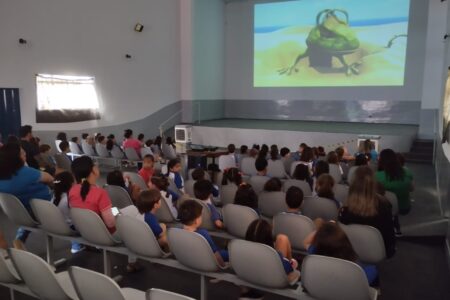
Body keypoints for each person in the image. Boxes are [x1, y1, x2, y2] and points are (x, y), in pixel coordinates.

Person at [0, 143, 53, 249]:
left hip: (20, 214)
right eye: (22, 153)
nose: (25, 154)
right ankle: (78, 243)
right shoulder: (25, 172)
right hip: (45, 210)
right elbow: (50, 178)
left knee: (30, 208)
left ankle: (20, 238)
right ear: (15, 158)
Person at [339, 166, 396, 258]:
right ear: (373, 183)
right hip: (380, 250)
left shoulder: (345, 208)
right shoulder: (385, 204)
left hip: (351, 249)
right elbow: (389, 235)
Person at [303, 221, 378, 286]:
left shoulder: (314, 252)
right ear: (345, 242)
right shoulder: (365, 272)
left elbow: (306, 242)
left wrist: (321, 230)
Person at [69, 156, 116, 233]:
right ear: (93, 170)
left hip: (84, 232)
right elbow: (110, 224)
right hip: (104, 235)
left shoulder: (72, 190)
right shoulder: (100, 193)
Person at [178, 200, 228, 266]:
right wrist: (223, 266)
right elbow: (216, 255)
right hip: (207, 260)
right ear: (196, 221)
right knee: (229, 254)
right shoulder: (203, 234)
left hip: (191, 259)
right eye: (200, 215)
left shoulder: (178, 231)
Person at [52, 171, 85, 254]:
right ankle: (92, 244)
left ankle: (76, 245)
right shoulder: (69, 199)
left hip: (57, 226)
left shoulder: (55, 197)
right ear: (70, 184)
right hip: (70, 228)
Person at [376, 149, 414, 215]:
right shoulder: (407, 172)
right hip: (404, 208)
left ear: (381, 161)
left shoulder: (377, 176)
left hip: (385, 209)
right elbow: (412, 189)